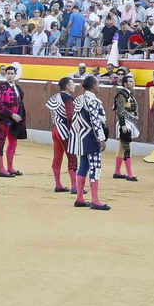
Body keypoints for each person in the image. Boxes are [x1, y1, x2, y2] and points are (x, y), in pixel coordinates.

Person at [67, 75, 110, 210]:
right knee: (95, 167)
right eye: (98, 83)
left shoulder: (79, 99)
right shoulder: (92, 100)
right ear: (93, 86)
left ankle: (79, 198)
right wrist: (101, 138)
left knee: (84, 165)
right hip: (91, 138)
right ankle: (95, 200)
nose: (99, 85)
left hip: (81, 137)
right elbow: (95, 121)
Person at [0, 62, 26, 177]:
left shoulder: (17, 88)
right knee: (0, 142)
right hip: (4, 119)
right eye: (8, 74)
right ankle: (1, 169)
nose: (10, 76)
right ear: (5, 74)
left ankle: (10, 167)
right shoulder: (2, 87)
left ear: (15, 75)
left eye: (12, 74)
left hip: (15, 120)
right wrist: (12, 115)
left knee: (13, 142)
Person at [46, 76, 75, 192]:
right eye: (72, 84)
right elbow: (70, 116)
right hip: (64, 131)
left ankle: (58, 184)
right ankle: (75, 186)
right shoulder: (68, 99)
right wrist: (73, 131)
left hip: (55, 129)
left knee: (57, 156)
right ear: (67, 87)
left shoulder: (55, 97)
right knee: (72, 157)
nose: (74, 86)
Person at [110, 70, 140, 181]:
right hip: (125, 123)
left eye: (133, 81)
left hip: (129, 122)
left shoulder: (127, 94)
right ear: (125, 84)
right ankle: (130, 174)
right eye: (130, 81)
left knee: (122, 148)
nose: (133, 83)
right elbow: (120, 110)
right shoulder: (122, 95)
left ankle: (117, 172)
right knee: (127, 148)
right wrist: (123, 125)